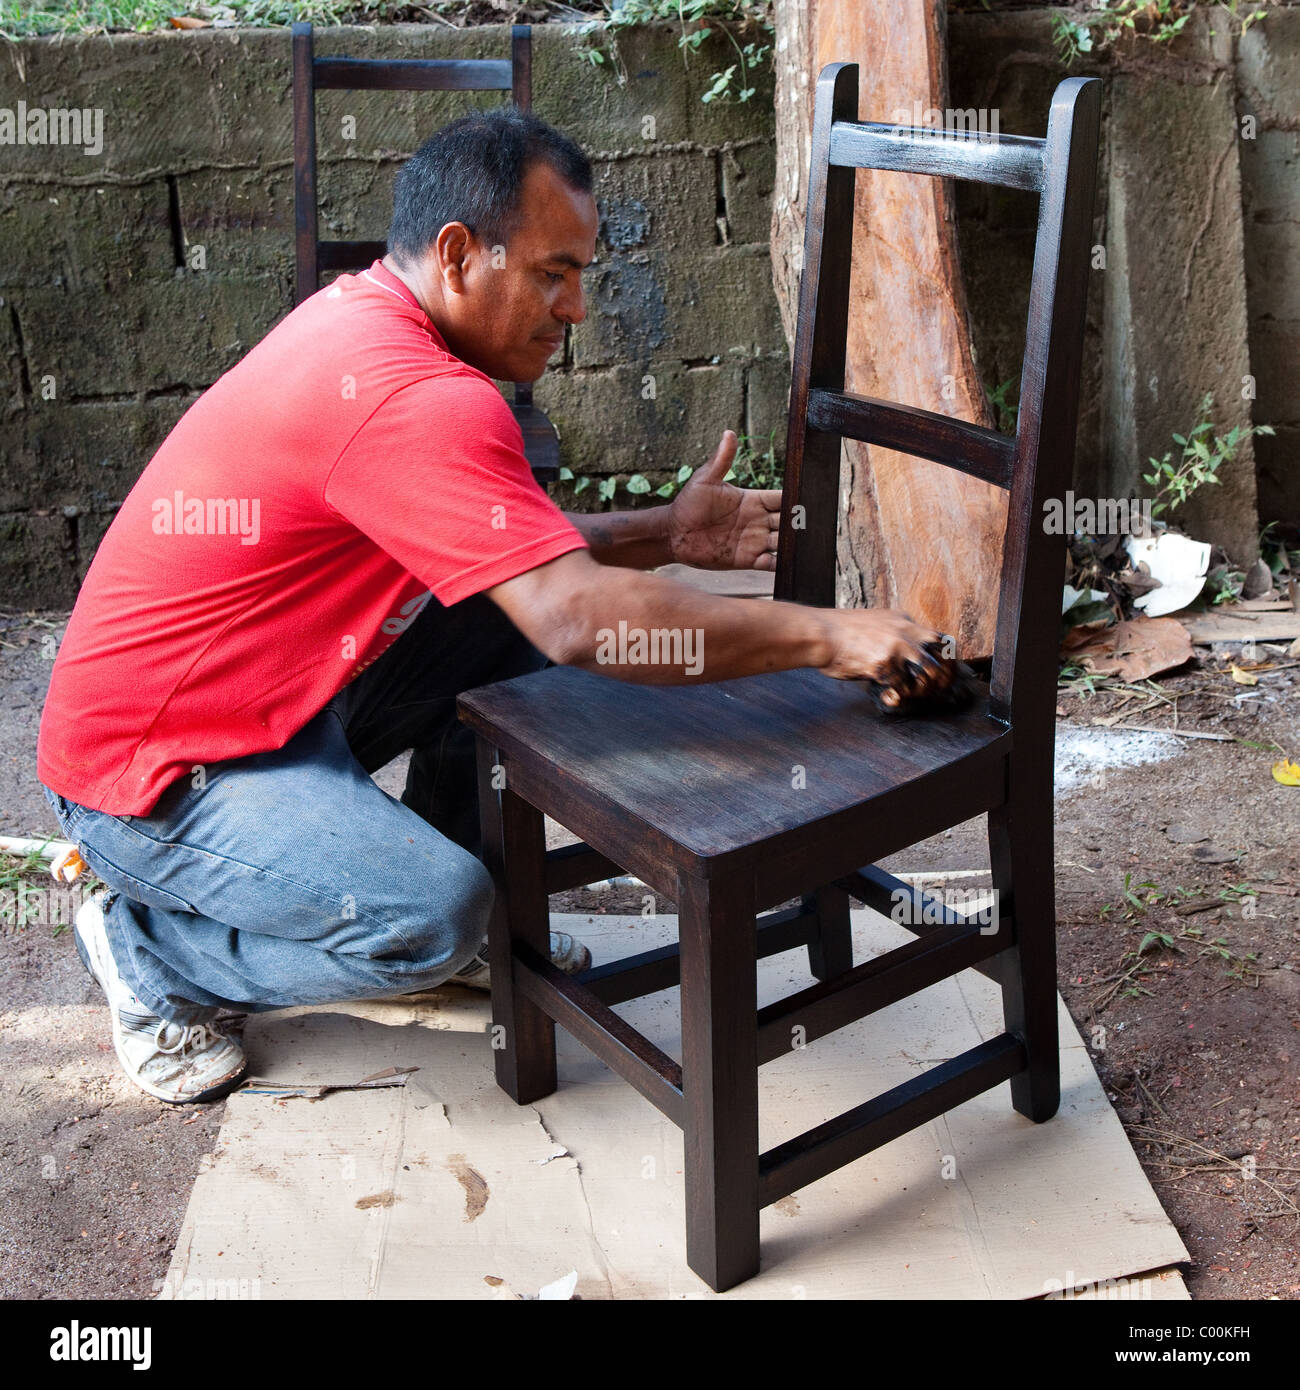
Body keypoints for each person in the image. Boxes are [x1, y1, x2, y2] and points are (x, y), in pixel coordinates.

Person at [36, 106, 953, 1106]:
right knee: (432, 914)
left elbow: (514, 562)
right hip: (156, 775)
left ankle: (428, 893)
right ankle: (151, 950)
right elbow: (576, 617)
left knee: (489, 621)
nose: (576, 310)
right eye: (552, 273)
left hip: (267, 698)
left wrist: (667, 534)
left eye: (580, 276)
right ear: (460, 254)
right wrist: (832, 635)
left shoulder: (366, 321)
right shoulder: (417, 396)